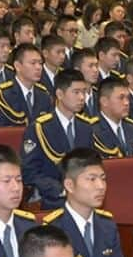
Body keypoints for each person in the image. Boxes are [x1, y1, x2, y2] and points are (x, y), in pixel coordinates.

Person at [42, 148, 126, 257]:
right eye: (92, 179)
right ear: (69, 185)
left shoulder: (107, 225)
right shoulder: (52, 229)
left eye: (103, 179)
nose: (101, 186)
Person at [21, 68, 96, 206]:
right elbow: (29, 171)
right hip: (52, 198)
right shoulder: (39, 127)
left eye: (84, 92)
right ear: (60, 94)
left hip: (83, 198)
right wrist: (61, 190)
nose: (82, 97)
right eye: (76, 92)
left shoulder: (86, 126)